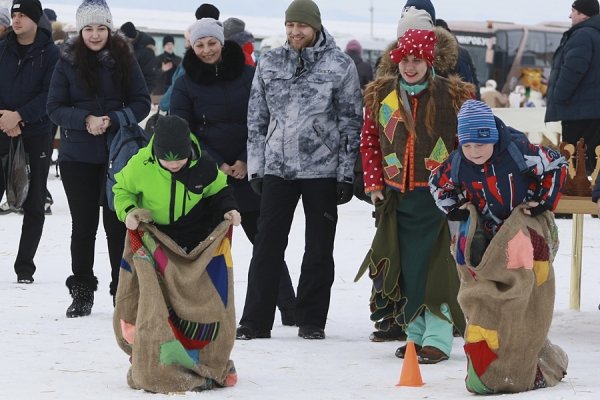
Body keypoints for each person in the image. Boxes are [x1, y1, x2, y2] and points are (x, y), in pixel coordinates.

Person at [237, 0, 363, 340]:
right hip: (278, 168)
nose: (295, 32)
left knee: (319, 246)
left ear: (316, 27)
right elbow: (256, 119)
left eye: (302, 26)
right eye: (290, 25)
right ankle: (255, 320)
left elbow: (352, 122)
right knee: (267, 245)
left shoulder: (340, 65)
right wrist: (257, 167)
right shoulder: (270, 62)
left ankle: (311, 320)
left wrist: (345, 174)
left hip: (321, 169)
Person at [356, 28, 473, 363]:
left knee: (437, 268)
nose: (410, 67)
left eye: (417, 60)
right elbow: (369, 141)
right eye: (405, 60)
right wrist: (374, 183)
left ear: (428, 61)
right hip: (397, 199)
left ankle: (437, 337)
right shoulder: (382, 95)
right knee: (407, 269)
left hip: (438, 198)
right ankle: (414, 335)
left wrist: (460, 189)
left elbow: (463, 146)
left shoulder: (452, 95)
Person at [171, 17, 297, 326]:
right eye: (200, 45)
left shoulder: (249, 75)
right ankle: (198, 311)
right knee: (204, 248)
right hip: (207, 177)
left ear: (222, 42)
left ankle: (291, 309)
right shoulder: (185, 82)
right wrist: (216, 164)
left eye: (212, 43)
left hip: (249, 172)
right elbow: (181, 129)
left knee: (266, 244)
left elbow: (264, 118)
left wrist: (244, 160)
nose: (207, 50)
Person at [47, 0, 151, 317]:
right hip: (77, 156)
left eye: (100, 28)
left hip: (117, 156)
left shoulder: (125, 59)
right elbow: (54, 107)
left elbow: (142, 102)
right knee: (84, 227)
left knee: (117, 226)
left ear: (109, 29)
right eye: (88, 28)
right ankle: (81, 291)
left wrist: (115, 119)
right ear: (81, 31)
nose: (95, 34)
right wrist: (85, 119)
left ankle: (121, 292)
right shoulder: (65, 61)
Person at [429, 100, 568, 264]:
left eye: (480, 144)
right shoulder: (458, 163)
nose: (473, 152)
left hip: (522, 226)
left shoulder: (519, 153)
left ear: (493, 139)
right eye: (466, 145)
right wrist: (452, 208)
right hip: (482, 233)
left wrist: (544, 201)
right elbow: (436, 183)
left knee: (523, 278)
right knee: (478, 277)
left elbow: (557, 164)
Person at [112, 115, 240, 249]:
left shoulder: (203, 165)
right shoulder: (140, 165)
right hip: (154, 235)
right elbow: (123, 191)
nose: (174, 165)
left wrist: (228, 208)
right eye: (166, 161)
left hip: (196, 235)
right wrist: (129, 211)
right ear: (156, 153)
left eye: (180, 159)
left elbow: (220, 191)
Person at [0, 0, 59, 282]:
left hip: (37, 134)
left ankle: (25, 267)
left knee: (34, 201)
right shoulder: (2, 49)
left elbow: (52, 95)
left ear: (35, 19)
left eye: (22, 14)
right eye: (14, 14)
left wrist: (20, 117)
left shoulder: (52, 54)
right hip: (0, 129)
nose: (16, 20)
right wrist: (5, 119)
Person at [545, 0, 600, 174]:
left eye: (573, 11)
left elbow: (573, 70)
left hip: (578, 112)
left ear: (583, 14)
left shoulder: (583, 35)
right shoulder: (596, 34)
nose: (570, 15)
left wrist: (558, 98)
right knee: (591, 160)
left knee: (576, 163)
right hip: (593, 111)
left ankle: (579, 198)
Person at [119, 21, 157, 94]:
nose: (123, 41)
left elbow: (150, 77)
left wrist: (143, 95)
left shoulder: (147, 51)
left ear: (130, 38)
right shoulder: (122, 46)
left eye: (125, 39)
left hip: (137, 92)